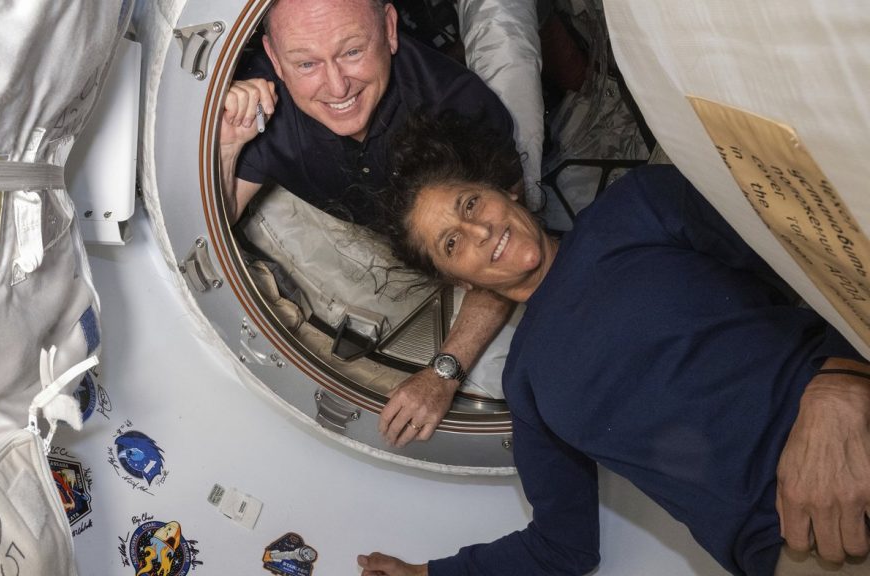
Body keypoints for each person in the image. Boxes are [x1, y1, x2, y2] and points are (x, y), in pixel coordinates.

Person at [356, 111, 870, 575]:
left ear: (504, 190)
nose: (479, 230)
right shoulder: (527, 383)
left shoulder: (637, 205)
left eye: (470, 203)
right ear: (459, 282)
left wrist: (841, 383)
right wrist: (427, 575)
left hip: (851, 429)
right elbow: (562, 547)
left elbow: (821, 262)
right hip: (800, 549)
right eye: (452, 243)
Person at [219, 0, 527, 446]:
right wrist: (228, 145)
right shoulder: (262, 98)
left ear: (389, 28)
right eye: (306, 62)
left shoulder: (456, 107)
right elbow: (216, 218)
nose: (336, 85)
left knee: (507, 44)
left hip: (467, 206)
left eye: (351, 52)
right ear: (274, 58)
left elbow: (510, 251)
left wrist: (444, 372)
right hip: (373, 223)